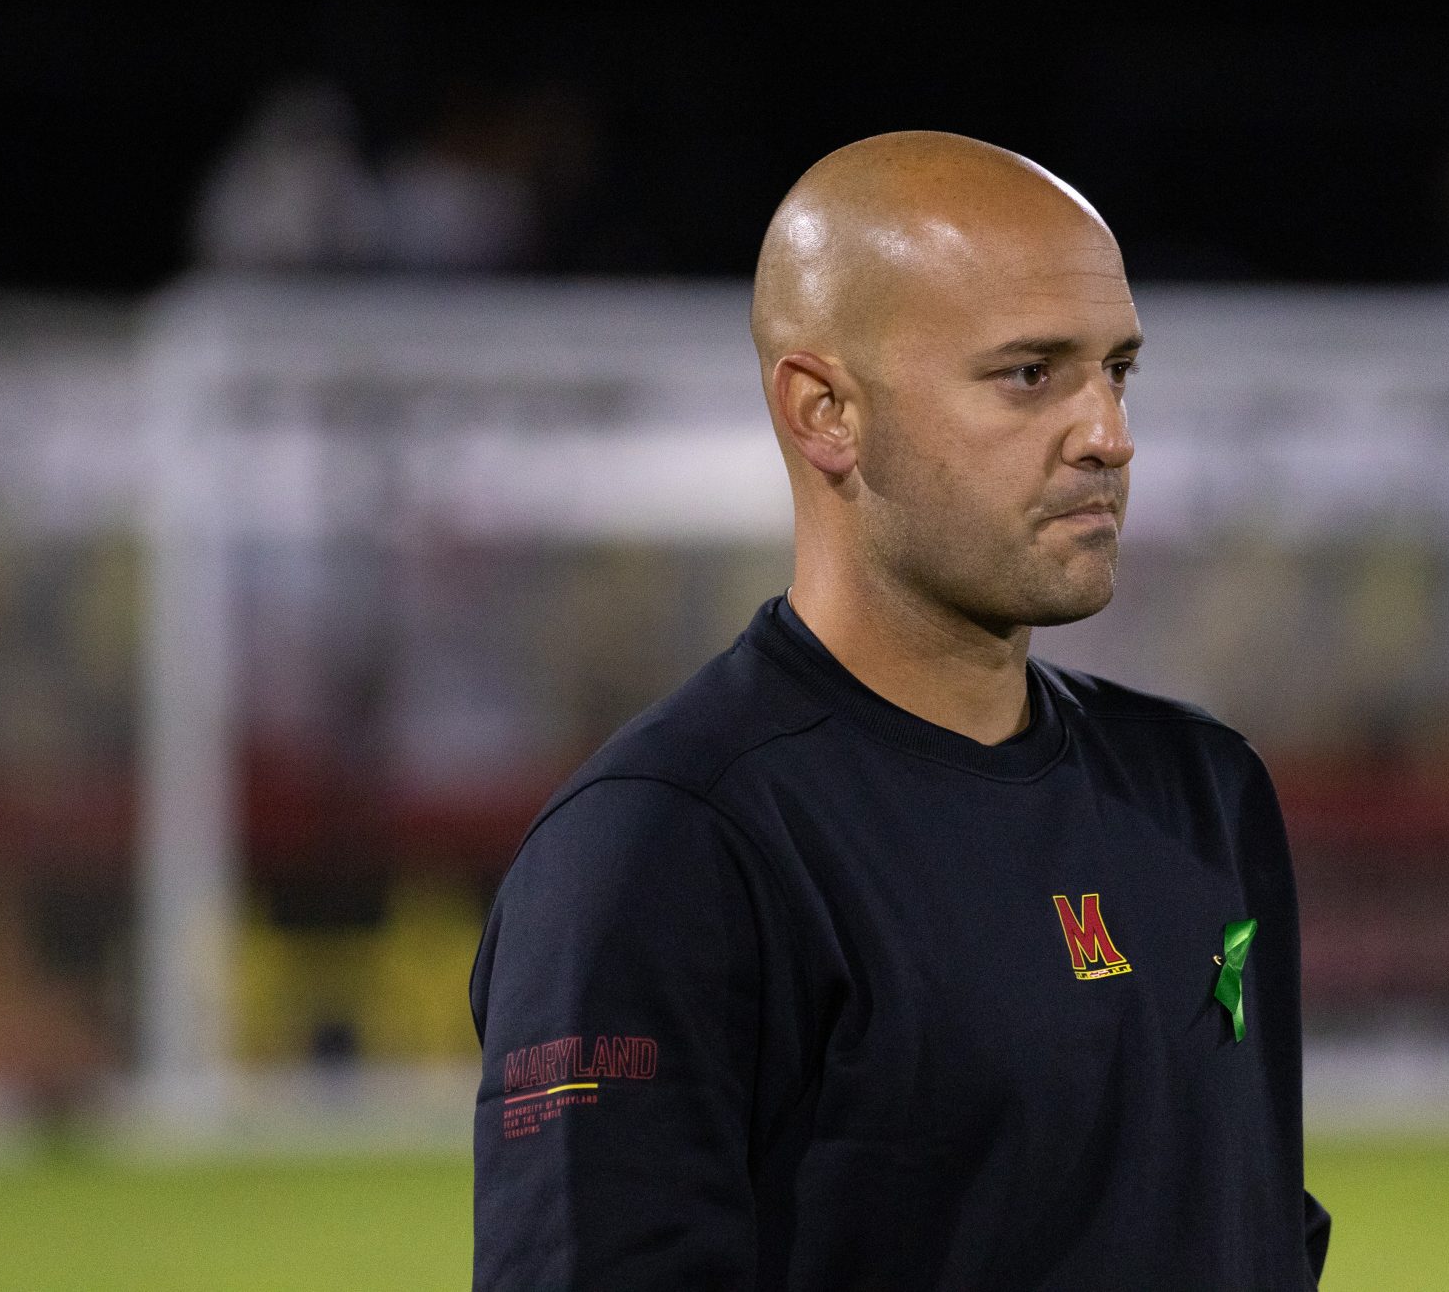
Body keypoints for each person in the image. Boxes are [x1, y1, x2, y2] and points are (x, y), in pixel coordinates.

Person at [469, 131, 1331, 1289]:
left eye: (1116, 370)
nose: (1108, 437)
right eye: (1029, 375)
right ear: (824, 411)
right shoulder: (660, 849)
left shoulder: (1203, 792)